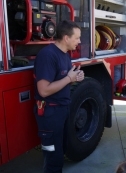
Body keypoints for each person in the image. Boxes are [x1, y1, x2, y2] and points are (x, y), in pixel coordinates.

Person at [34, 20, 84, 172]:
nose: (79, 41)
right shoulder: (48, 56)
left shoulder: (65, 55)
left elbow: (62, 80)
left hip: (62, 110)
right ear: (66, 38)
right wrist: (69, 78)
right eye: (77, 38)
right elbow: (43, 91)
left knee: (60, 151)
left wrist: (75, 77)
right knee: (53, 158)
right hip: (50, 113)